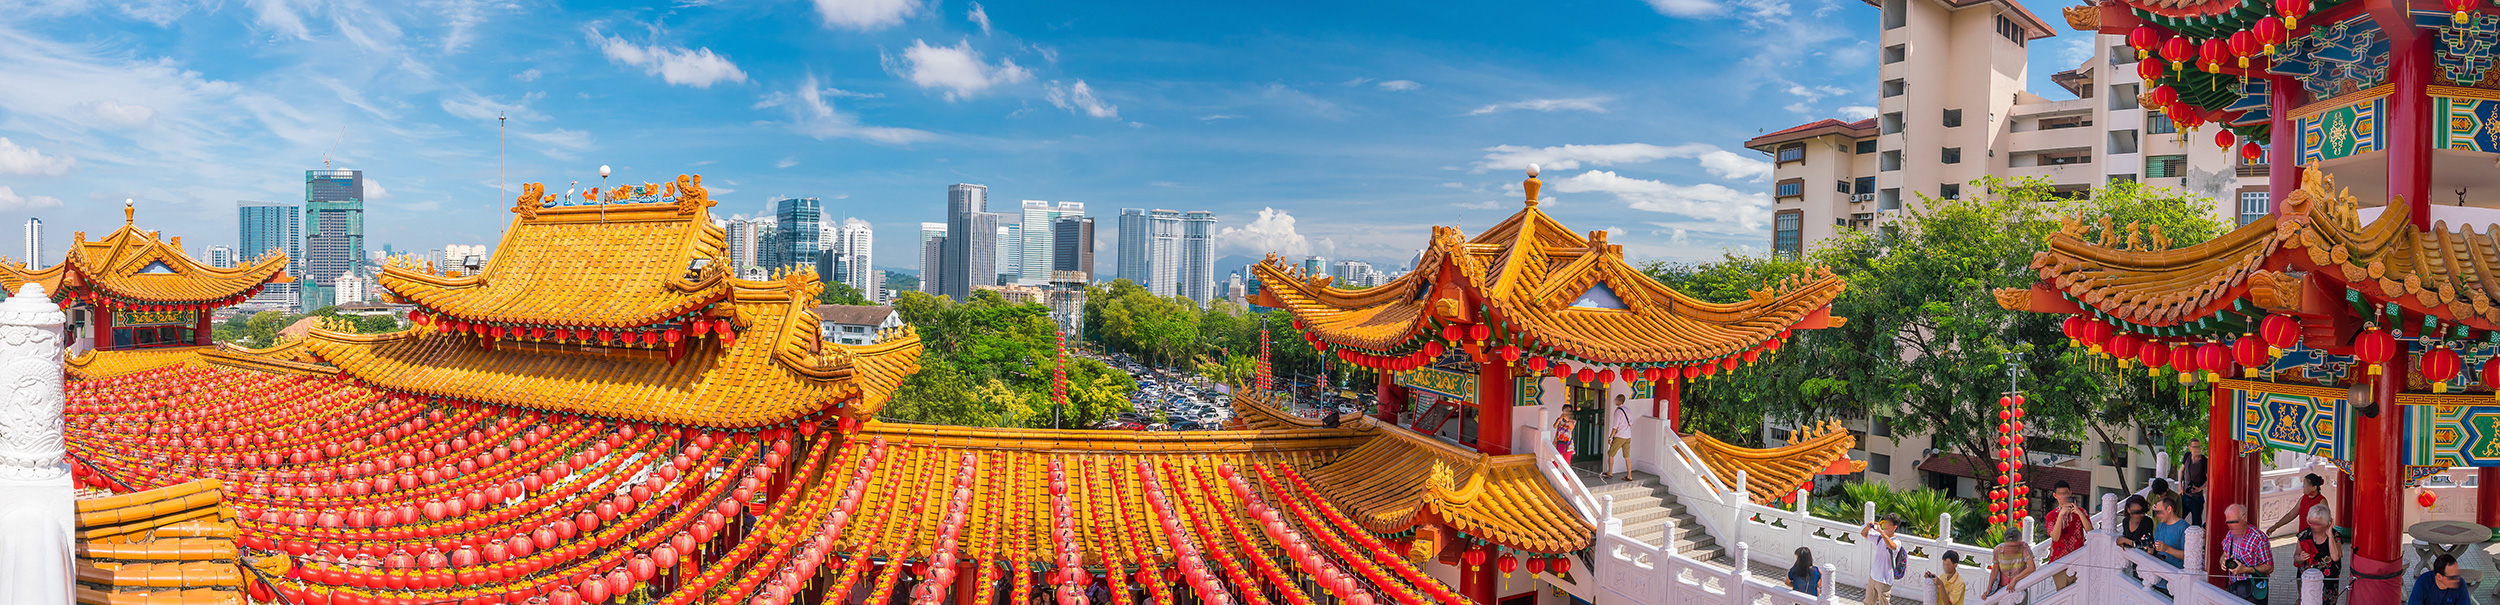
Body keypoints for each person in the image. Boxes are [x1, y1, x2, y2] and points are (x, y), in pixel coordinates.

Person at [2218, 503, 2274, 603]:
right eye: (2228, 522)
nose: (2231, 526)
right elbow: (2224, 554)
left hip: (2254, 591)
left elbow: (2269, 567)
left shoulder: (2259, 538)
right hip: (2234, 588)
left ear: (2245, 518)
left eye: (2234, 522)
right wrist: (2223, 561)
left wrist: (2245, 569)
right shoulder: (2230, 534)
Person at [2294, 503, 2342, 603]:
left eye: (2317, 524)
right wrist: (2301, 558)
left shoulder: (2335, 536)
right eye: (2311, 522)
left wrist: (2330, 535)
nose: (2313, 526)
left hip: (2327, 583)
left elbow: (2335, 557)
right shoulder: (2304, 535)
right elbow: (2296, 558)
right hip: (2308, 581)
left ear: (2327, 523)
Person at [1861, 514, 1907, 604]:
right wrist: (1867, 527)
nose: (1885, 526)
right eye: (1884, 523)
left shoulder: (1897, 542)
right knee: (1868, 602)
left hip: (1885, 579)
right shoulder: (1879, 538)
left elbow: (1891, 546)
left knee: (1884, 602)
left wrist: (1881, 531)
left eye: (1888, 524)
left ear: (1894, 527)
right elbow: (1864, 534)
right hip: (1873, 576)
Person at [2044, 480, 2089, 561]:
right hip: (2059, 559)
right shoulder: (2051, 515)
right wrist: (2061, 515)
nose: (2064, 496)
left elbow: (2090, 531)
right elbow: (2055, 537)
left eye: (2065, 493)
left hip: (2078, 558)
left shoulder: (2081, 512)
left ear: (2070, 493)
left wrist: (2079, 513)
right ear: (2055, 495)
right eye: (2060, 494)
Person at [2149, 495, 2190, 568]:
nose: (2157, 515)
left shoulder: (2184, 527)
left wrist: (2168, 549)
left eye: (2158, 512)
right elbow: (2156, 550)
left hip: (2175, 573)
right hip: (2159, 571)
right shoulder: (2160, 525)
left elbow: (2189, 556)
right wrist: (2148, 546)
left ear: (2169, 509)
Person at [2180, 440, 2209, 526]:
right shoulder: (2187, 456)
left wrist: (2200, 488)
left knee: (2196, 524)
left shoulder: (2204, 461)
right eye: (2195, 447)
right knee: (2178, 519)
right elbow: (2181, 471)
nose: (2197, 449)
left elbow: (2209, 479)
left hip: (2197, 498)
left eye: (2199, 447)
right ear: (2190, 448)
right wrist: (2180, 487)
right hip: (2185, 495)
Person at [1606, 394, 1634, 480]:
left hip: (1619, 436)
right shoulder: (1628, 410)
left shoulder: (1618, 411)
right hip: (1628, 435)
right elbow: (1631, 423)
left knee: (1611, 453)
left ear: (1618, 401)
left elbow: (1615, 426)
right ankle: (1629, 475)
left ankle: (1610, 472)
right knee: (1627, 456)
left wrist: (1610, 437)